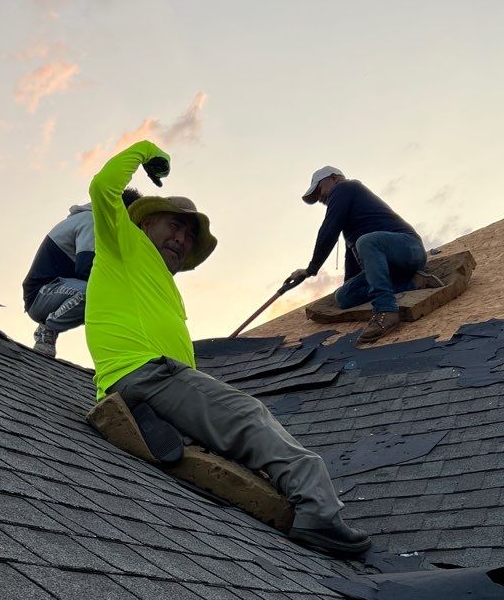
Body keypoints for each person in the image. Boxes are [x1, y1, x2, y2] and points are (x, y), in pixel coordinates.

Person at [85, 140, 371, 559]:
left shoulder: (156, 281)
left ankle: (159, 425)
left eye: (188, 234)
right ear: (144, 224)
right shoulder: (122, 243)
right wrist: (147, 151)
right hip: (149, 374)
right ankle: (319, 514)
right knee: (250, 416)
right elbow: (102, 187)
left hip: (150, 381)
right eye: (174, 226)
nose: (181, 239)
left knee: (228, 433)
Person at [286, 166, 441, 343]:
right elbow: (351, 260)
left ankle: (386, 310)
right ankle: (415, 282)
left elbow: (329, 229)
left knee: (366, 242)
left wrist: (311, 268)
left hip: (409, 250)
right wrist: (350, 286)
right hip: (391, 269)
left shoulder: (346, 187)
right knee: (343, 297)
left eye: (319, 189)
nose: (319, 197)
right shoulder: (351, 227)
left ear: (335, 178)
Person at [23, 188, 140, 357]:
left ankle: (115, 354)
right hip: (40, 295)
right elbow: (85, 268)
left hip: (56, 290)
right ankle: (48, 328)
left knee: (110, 300)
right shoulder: (92, 221)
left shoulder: (95, 222)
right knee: (95, 293)